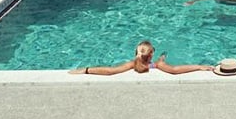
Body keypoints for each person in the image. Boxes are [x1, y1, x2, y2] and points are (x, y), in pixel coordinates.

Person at [69, 40, 212, 75]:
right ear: (151, 54)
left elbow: (110, 70)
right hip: (157, 63)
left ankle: (163, 55)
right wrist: (199, 66)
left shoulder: (132, 64)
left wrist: (86, 70)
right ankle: (163, 55)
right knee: (163, 59)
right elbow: (175, 70)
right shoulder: (155, 65)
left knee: (162, 58)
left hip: (141, 62)